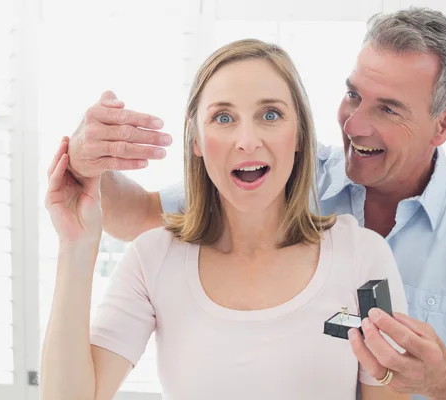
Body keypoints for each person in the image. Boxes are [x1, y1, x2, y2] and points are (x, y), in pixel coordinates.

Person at [62, 8, 446, 400]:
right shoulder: (266, 177)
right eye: (352, 95)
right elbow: (138, 217)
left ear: (444, 125)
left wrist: (445, 380)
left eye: (387, 108)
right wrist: (86, 163)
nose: (354, 124)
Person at [40, 39, 410, 400]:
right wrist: (76, 243)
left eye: (270, 115)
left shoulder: (363, 258)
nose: (247, 140)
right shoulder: (152, 259)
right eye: (223, 117)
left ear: (299, 134)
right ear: (197, 141)